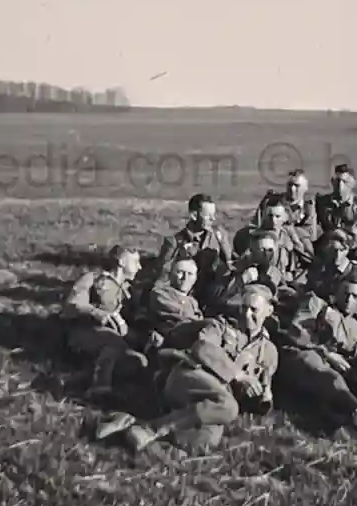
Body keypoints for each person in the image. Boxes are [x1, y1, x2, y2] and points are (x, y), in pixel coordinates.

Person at [96, 283, 279, 453]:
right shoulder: (220, 327)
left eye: (253, 309)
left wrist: (262, 396)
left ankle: (130, 425)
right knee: (229, 407)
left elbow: (264, 387)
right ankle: (151, 429)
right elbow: (202, 348)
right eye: (243, 307)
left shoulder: (268, 351)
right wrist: (237, 375)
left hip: (214, 399)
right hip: (189, 377)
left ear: (269, 311)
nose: (246, 314)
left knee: (206, 440)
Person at [275, 274, 357, 436]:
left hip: (334, 371)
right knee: (319, 368)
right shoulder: (317, 304)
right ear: (337, 292)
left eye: (355, 296)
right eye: (345, 293)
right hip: (301, 359)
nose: (349, 300)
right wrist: (326, 353)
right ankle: (356, 408)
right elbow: (296, 335)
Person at [60, 245, 148, 392]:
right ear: (121, 262)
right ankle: (99, 388)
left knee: (139, 361)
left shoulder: (129, 291)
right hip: (85, 332)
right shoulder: (92, 279)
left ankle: (75, 378)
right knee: (113, 342)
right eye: (135, 262)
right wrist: (96, 313)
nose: (139, 267)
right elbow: (71, 305)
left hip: (117, 338)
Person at [154, 193, 235, 307]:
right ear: (194, 215)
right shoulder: (174, 242)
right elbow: (162, 276)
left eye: (214, 214)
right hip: (184, 298)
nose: (213, 219)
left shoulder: (218, 237)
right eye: (208, 215)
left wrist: (225, 249)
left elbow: (230, 266)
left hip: (212, 297)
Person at [236, 194, 314, 281]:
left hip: (285, 285)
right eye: (270, 216)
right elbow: (240, 265)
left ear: (285, 218)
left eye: (277, 216)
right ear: (264, 216)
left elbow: (306, 264)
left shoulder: (290, 240)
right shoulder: (251, 238)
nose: (273, 221)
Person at [252, 169, 318, 246]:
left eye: (297, 186)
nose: (292, 189)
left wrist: (287, 230)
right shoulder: (270, 202)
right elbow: (254, 226)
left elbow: (311, 235)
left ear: (305, 188)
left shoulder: (309, 207)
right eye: (290, 185)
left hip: (297, 247)